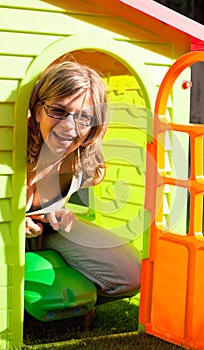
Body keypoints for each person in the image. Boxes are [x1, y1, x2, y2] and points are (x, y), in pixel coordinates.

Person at [26, 60, 141, 305]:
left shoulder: (84, 163)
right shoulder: (8, 146)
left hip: (46, 235)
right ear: (37, 111)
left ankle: (63, 296)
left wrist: (66, 216)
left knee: (132, 275)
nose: (70, 127)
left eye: (83, 117)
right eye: (58, 111)